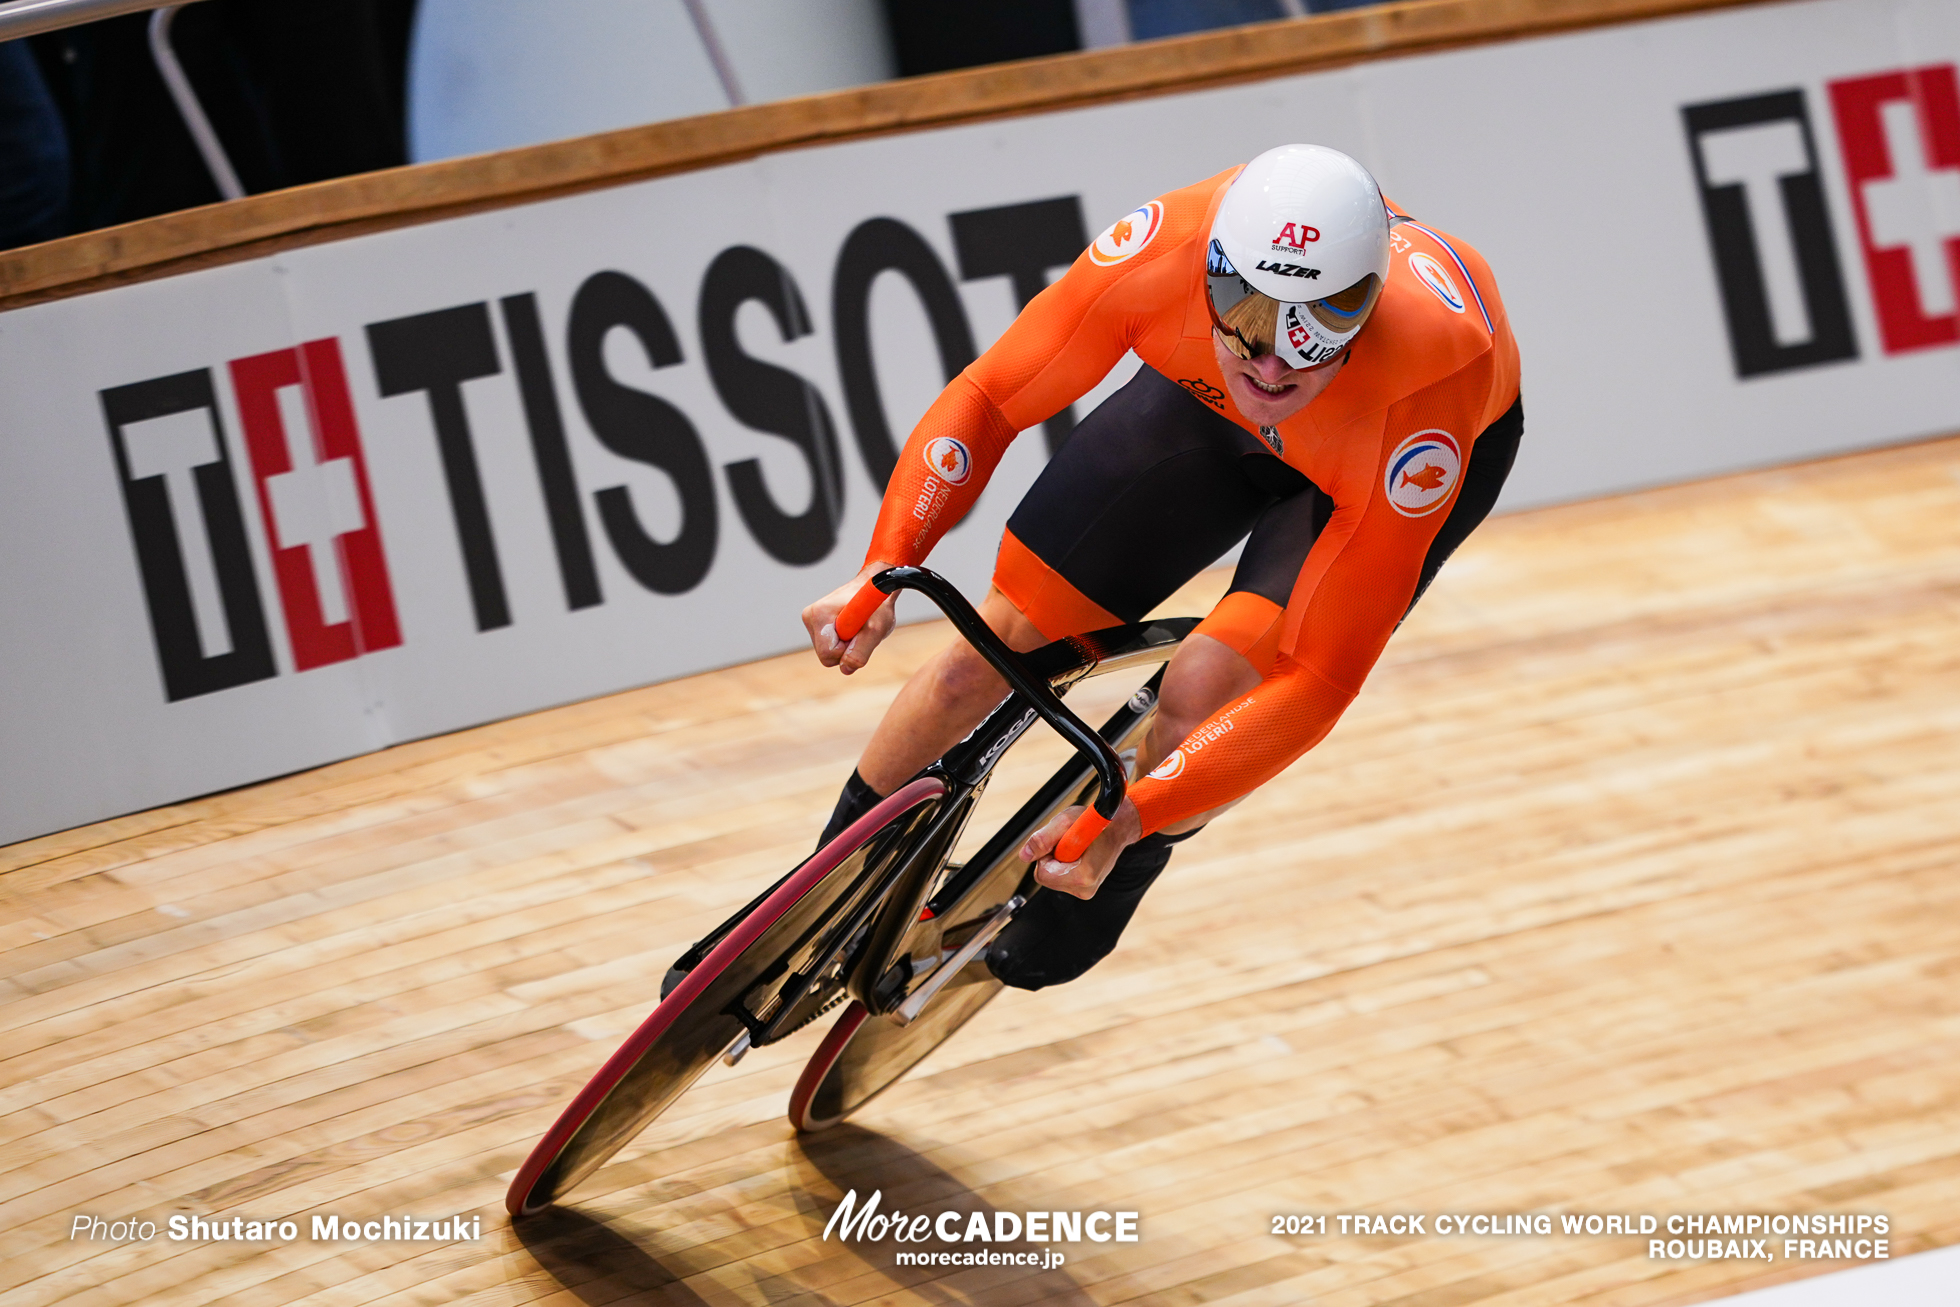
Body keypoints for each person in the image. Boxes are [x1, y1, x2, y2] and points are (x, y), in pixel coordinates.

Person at [684, 143, 1522, 996]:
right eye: (1247, 312)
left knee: (1199, 695)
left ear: (1369, 311)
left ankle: (1116, 876)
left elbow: (1318, 681)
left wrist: (1137, 818)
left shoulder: (1431, 382)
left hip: (1365, 460)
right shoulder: (1161, 254)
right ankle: (812, 894)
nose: (1272, 361)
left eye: (1315, 327)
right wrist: (888, 562)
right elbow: (989, 398)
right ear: (1211, 269)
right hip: (1207, 410)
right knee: (982, 658)